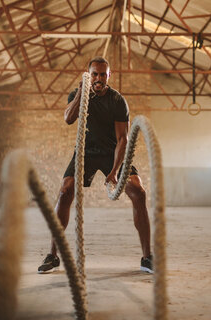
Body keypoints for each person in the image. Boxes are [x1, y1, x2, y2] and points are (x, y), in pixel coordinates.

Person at [38, 56, 153, 274]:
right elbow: (68, 119)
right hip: (85, 152)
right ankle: (53, 255)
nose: (99, 78)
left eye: (103, 74)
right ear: (89, 75)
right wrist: (83, 92)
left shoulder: (118, 101)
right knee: (64, 192)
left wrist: (114, 171)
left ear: (109, 76)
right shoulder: (77, 95)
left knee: (139, 192)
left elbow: (123, 140)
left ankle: (147, 257)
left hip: (113, 152)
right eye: (95, 74)